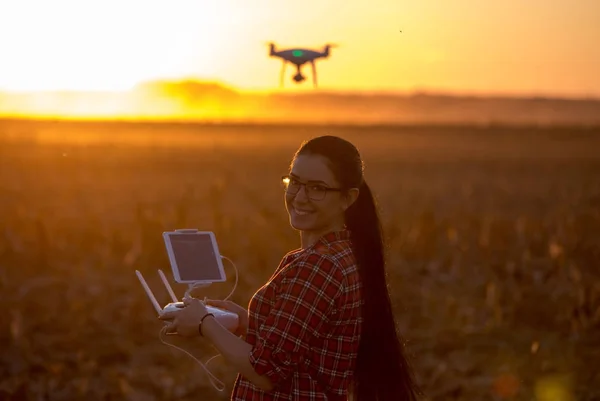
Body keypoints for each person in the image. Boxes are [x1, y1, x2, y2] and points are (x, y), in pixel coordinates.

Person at [160, 135, 420, 401]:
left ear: (348, 198)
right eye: (294, 182)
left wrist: (205, 323)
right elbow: (304, 346)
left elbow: (266, 372)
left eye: (317, 188)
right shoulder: (342, 254)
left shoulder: (318, 267)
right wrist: (249, 324)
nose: (300, 197)